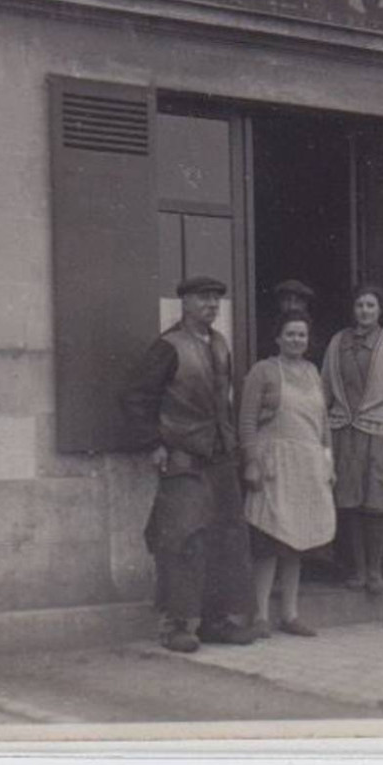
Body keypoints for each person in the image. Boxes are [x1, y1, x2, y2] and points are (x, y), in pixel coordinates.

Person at [120, 276, 260, 653]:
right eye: (203, 298)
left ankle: (217, 622)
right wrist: (154, 444)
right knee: (181, 540)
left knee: (226, 539)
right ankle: (176, 625)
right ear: (184, 303)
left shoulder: (220, 344)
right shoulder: (168, 347)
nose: (211, 305)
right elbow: (136, 398)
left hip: (220, 458)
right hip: (182, 458)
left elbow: (224, 403)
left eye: (215, 299)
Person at [239, 312, 337, 638]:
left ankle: (290, 614)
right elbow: (247, 421)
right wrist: (251, 462)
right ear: (278, 338)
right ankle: (260, 616)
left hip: (307, 466)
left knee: (298, 539)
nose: (297, 340)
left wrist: (328, 463)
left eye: (302, 335)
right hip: (274, 464)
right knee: (269, 539)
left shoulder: (312, 373)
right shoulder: (263, 372)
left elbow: (324, 426)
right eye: (291, 334)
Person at [320, 284, 383, 594]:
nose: (364, 311)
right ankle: (357, 570)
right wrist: (319, 427)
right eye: (360, 305)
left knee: (377, 502)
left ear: (380, 310)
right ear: (353, 309)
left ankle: (376, 571)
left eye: (370, 306)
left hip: (380, 431)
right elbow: (323, 388)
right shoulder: (337, 342)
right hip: (342, 431)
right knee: (348, 502)